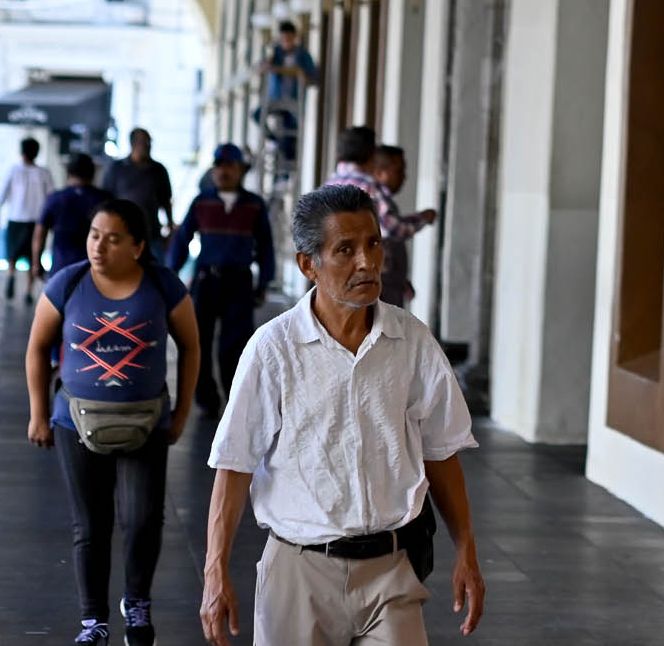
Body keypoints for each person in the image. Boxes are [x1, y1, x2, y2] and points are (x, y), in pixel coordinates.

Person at [200, 184, 484, 646]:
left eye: (373, 243)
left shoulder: (411, 341)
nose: (367, 262)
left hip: (392, 571)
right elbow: (235, 464)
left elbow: (441, 452)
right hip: (299, 573)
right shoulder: (273, 349)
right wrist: (215, 572)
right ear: (308, 264)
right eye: (345, 250)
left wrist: (467, 550)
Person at [25, 195, 202, 646]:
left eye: (113, 239)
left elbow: (191, 347)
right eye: (94, 235)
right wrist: (38, 414)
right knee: (91, 524)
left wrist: (181, 413)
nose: (99, 247)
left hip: (147, 422)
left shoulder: (164, 286)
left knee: (143, 519)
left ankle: (137, 605)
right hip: (74, 423)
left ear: (138, 246)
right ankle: (93, 621)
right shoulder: (67, 283)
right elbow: (37, 348)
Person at [168, 144, 274, 416]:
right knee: (199, 341)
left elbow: (265, 247)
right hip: (207, 281)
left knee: (235, 345)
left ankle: (234, 399)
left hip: (239, 283)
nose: (222, 171)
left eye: (229, 166)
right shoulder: (202, 201)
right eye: (218, 166)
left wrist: (263, 282)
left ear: (240, 170)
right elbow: (182, 240)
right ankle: (207, 399)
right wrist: (169, 275)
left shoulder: (254, 205)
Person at [369, 145, 436, 309]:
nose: (404, 177)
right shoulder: (377, 195)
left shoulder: (382, 198)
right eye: (399, 171)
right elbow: (395, 230)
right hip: (384, 283)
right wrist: (422, 218)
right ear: (379, 173)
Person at [0, 137, 51, 301]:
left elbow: (3, 192)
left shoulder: (14, 170)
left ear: (22, 152)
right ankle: (28, 291)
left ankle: (10, 275)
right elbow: (50, 197)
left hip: (15, 218)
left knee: (12, 253)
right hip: (36, 221)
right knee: (33, 256)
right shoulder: (43, 173)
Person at [37, 152, 109, 275]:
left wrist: (36, 262)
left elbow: (40, 232)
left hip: (61, 269)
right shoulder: (105, 200)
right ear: (92, 174)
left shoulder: (55, 198)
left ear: (67, 174)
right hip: (95, 270)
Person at [102, 130, 175, 250]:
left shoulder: (159, 170)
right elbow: (106, 201)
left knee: (154, 268)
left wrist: (170, 229)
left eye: (149, 142)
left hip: (152, 235)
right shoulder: (117, 169)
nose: (147, 145)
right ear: (133, 144)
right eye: (143, 142)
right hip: (121, 234)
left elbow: (166, 201)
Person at [255, 22, 318, 159]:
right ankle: (273, 140)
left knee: (290, 136)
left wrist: (299, 75)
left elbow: (313, 79)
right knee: (257, 115)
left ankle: (285, 172)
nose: (286, 42)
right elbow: (259, 68)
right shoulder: (274, 53)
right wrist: (267, 63)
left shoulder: (303, 55)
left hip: (293, 101)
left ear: (294, 37)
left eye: (289, 39)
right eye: (283, 39)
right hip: (275, 99)